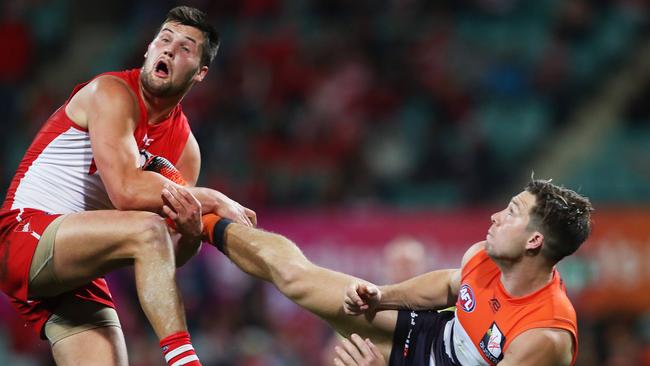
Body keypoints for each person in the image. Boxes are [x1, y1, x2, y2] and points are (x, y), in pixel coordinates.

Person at [0, 6, 255, 366]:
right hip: (24, 234)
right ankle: (185, 360)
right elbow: (126, 191)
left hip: (77, 266)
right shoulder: (111, 92)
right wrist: (213, 199)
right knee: (147, 228)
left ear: (200, 73)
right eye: (163, 39)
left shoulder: (185, 151)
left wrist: (191, 229)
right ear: (149, 49)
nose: (168, 49)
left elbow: (170, 252)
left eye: (184, 48)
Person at [205, 179, 592, 365]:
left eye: (510, 213)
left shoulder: (545, 337)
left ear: (534, 242)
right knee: (296, 278)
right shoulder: (488, 255)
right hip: (430, 336)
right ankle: (205, 224)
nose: (494, 217)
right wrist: (382, 294)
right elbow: (447, 285)